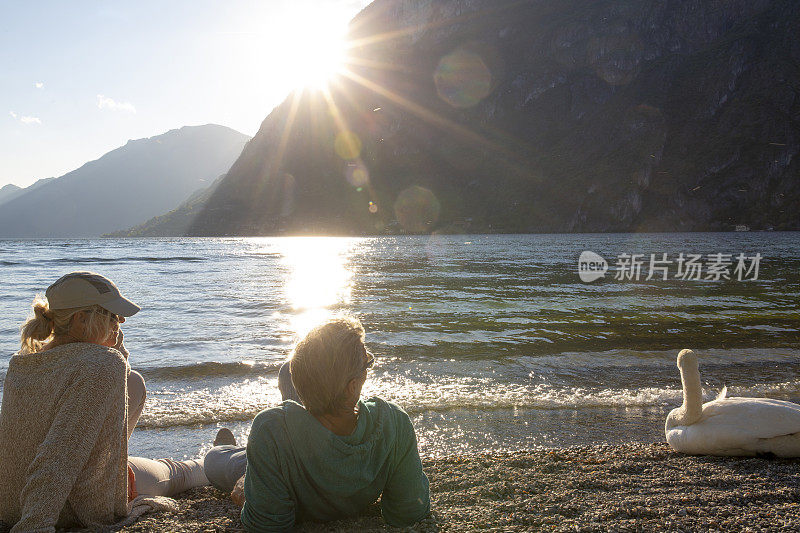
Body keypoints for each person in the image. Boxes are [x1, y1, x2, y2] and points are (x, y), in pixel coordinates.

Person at [0, 272, 207, 532]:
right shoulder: (101, 365)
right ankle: (224, 460)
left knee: (133, 382)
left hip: (10, 503)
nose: (119, 321)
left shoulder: (21, 363)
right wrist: (35, 523)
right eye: (111, 314)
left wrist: (114, 351)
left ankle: (117, 466)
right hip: (67, 509)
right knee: (180, 472)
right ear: (80, 318)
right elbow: (59, 454)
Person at [204, 317, 430, 531]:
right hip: (301, 434)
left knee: (213, 460)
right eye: (367, 363)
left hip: (282, 450)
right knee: (286, 370)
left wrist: (250, 493)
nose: (368, 368)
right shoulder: (394, 421)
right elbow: (410, 511)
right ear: (352, 387)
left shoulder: (269, 430)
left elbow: (265, 524)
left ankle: (226, 448)